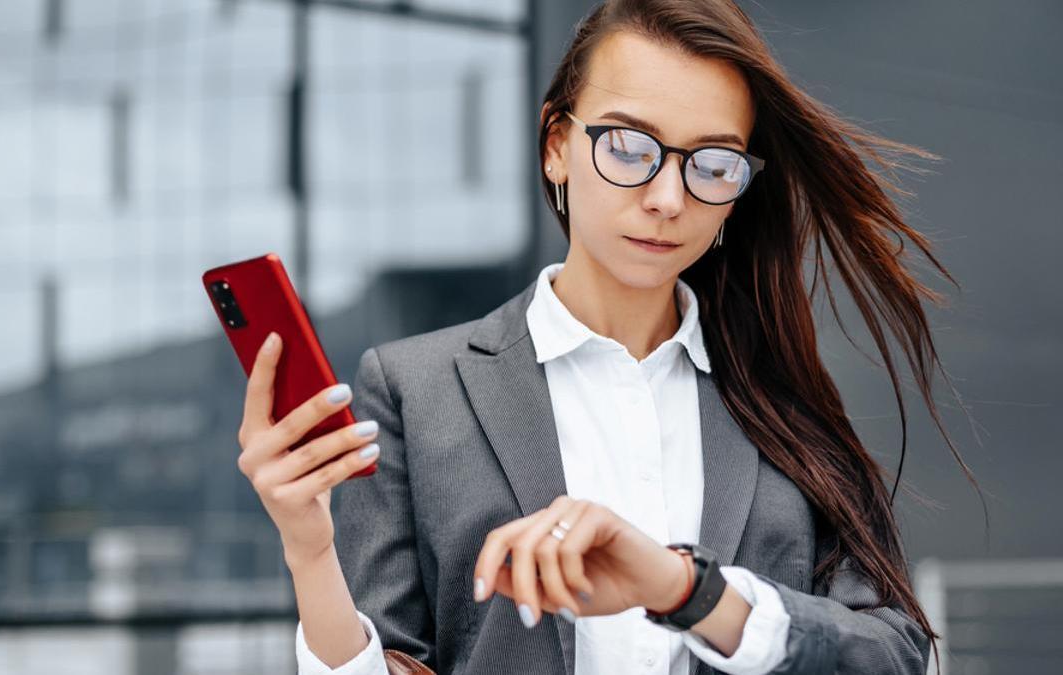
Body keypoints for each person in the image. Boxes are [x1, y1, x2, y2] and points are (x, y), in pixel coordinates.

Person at [234, 1, 973, 672]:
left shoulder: (780, 401)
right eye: (628, 147)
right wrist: (310, 549)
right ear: (557, 144)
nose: (666, 197)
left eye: (712, 165)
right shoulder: (417, 391)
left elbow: (895, 654)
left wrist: (688, 589)